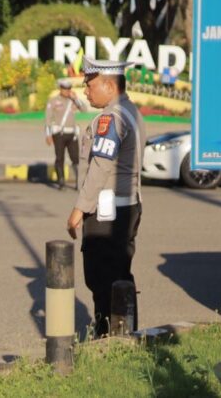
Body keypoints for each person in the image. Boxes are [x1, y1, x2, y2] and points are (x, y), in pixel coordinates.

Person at [66, 57, 146, 338]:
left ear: (110, 86)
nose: (86, 92)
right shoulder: (131, 112)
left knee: (101, 279)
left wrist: (80, 208)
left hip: (106, 213)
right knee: (121, 274)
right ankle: (126, 334)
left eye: (90, 85)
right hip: (128, 206)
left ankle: (104, 338)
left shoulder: (110, 118)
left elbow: (100, 165)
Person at [45, 78, 88, 190]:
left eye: (69, 88)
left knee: (76, 158)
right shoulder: (53, 101)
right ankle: (61, 181)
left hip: (72, 134)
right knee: (60, 158)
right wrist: (48, 135)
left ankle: (79, 182)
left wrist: (76, 98)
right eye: (65, 89)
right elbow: (48, 119)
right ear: (61, 89)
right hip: (59, 134)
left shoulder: (73, 100)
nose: (67, 91)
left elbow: (84, 109)